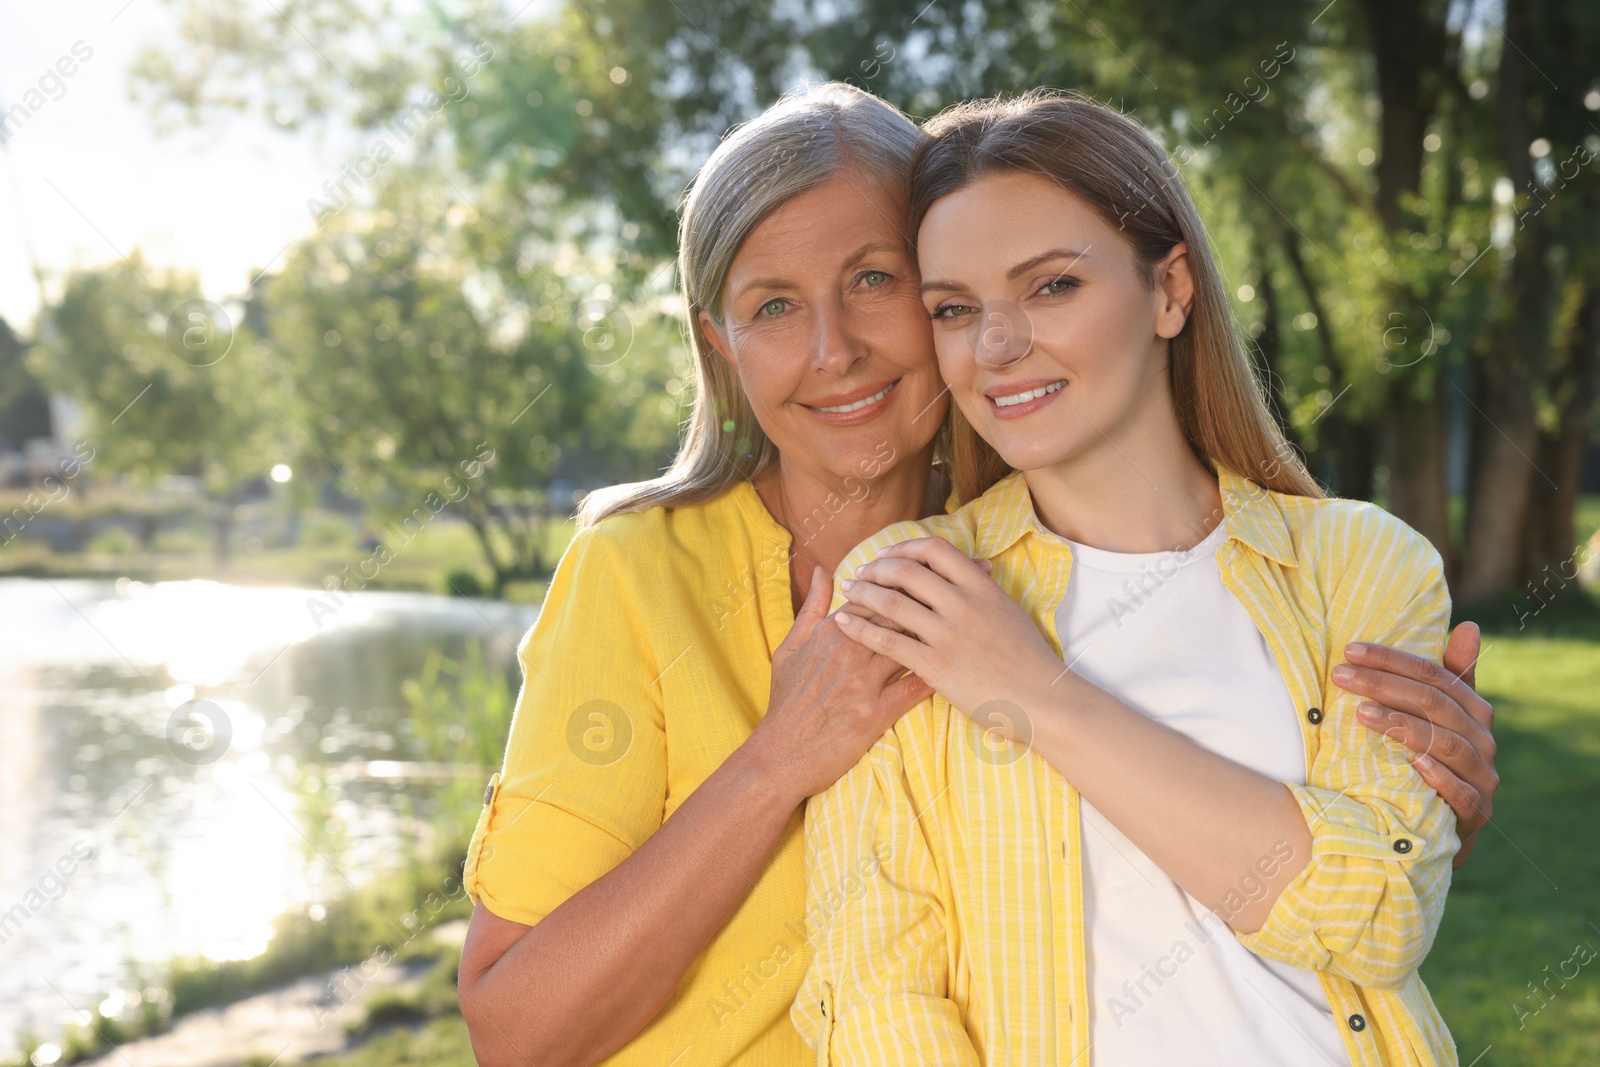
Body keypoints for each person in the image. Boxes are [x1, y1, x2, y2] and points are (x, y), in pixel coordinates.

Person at [457, 83, 1497, 1067]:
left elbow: (1337, 894)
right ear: (719, 348)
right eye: (772, 306)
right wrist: (779, 759)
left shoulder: (1054, 550)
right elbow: (517, 1028)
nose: (834, 349)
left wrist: (1414, 810)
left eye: (875, 280)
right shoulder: (654, 571)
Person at [799, 90, 1472, 1066]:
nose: (996, 345)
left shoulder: (1360, 563)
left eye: (1051, 287)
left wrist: (1034, 692)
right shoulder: (907, 586)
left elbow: (1378, 915)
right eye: (954, 308)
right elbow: (879, 991)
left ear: (1170, 290)